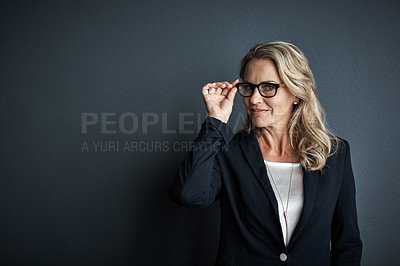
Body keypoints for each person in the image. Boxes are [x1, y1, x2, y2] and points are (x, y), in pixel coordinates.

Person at [169, 41, 362, 265]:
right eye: (248, 87)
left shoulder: (334, 154)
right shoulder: (229, 151)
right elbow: (188, 194)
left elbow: (347, 243)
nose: (253, 99)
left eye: (268, 87)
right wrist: (216, 121)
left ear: (296, 93)